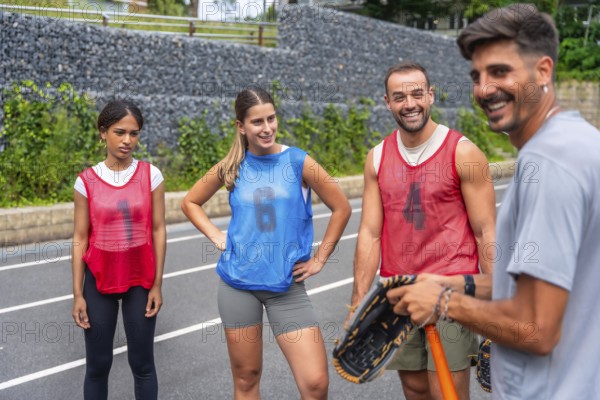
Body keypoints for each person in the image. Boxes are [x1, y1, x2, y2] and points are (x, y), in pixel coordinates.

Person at [387, 4, 600, 400]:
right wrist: (457, 282)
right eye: (477, 76)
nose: (484, 89)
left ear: (543, 71)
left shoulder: (550, 162)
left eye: (500, 72)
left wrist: (445, 301)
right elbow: (544, 289)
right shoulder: (578, 142)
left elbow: (536, 328)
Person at [181, 86, 351, 399]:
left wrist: (320, 259)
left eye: (271, 118)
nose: (267, 127)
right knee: (246, 379)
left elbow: (342, 208)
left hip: (286, 288)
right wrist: (217, 236)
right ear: (241, 126)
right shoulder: (232, 166)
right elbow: (190, 202)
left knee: (315, 383)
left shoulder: (298, 161)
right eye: (258, 122)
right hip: (237, 286)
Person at [348, 61, 496, 399]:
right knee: (414, 389)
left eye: (417, 94)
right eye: (399, 97)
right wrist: (359, 299)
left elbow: (486, 232)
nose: (409, 103)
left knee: (447, 392)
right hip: (400, 292)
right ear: (387, 102)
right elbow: (370, 233)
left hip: (451, 289)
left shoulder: (464, 152)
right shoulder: (377, 158)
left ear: (430, 96)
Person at [71, 100, 166, 400]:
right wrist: (77, 294)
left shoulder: (151, 175)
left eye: (134, 134)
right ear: (103, 133)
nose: (128, 141)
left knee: (143, 364)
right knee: (98, 366)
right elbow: (80, 237)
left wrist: (157, 284)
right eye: (120, 132)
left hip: (140, 281)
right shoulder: (86, 181)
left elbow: (159, 229)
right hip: (99, 282)